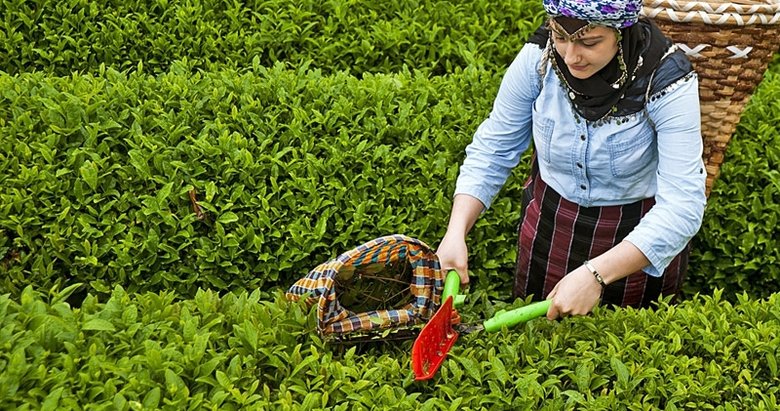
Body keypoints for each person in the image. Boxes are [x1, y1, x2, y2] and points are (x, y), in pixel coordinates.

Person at [436, 0, 707, 320]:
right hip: (550, 227)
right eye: (560, 37)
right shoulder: (539, 59)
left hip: (634, 239)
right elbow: (493, 148)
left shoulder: (666, 80)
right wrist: (456, 232)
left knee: (624, 338)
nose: (570, 56)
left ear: (621, 33)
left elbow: (683, 206)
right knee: (537, 334)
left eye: (589, 43)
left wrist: (596, 275)